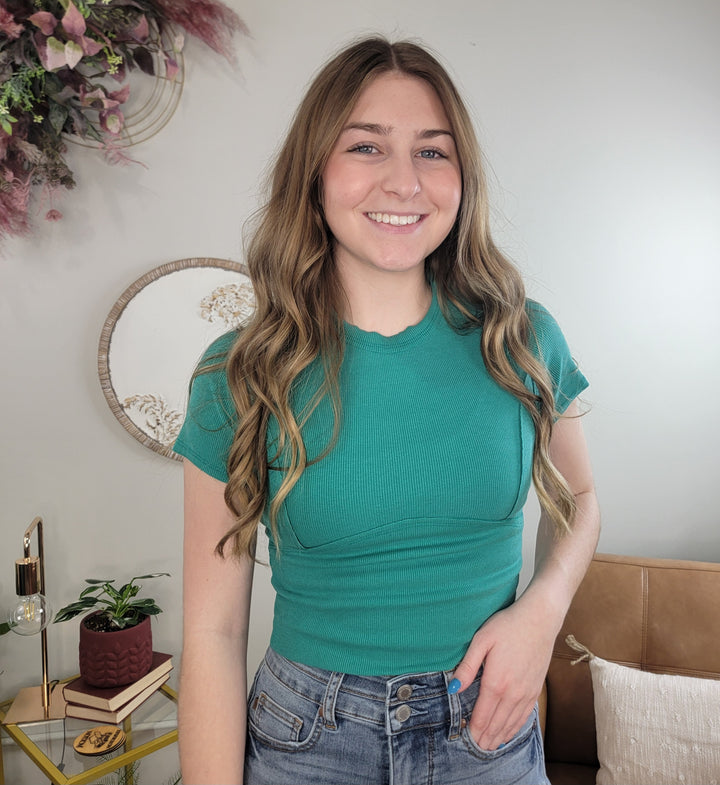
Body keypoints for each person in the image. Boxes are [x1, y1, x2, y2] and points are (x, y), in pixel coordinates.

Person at [175, 35, 600, 785]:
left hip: (487, 729)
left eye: (433, 153)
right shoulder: (237, 371)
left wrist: (544, 610)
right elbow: (213, 630)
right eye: (367, 146)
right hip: (306, 738)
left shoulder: (522, 337)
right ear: (315, 171)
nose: (404, 182)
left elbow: (582, 500)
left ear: (462, 178)